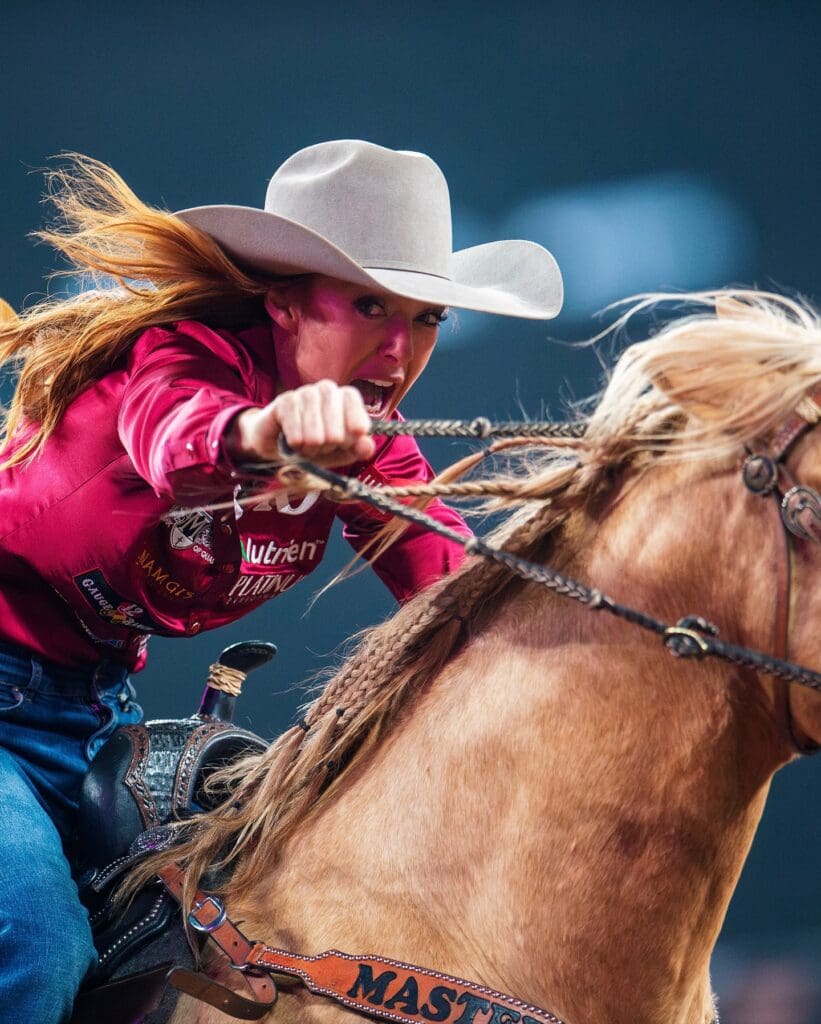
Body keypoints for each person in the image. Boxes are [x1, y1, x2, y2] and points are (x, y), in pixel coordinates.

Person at [0, 139, 563, 1021]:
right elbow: (178, 443)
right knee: (39, 949)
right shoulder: (175, 359)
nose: (398, 347)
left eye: (425, 320)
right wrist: (268, 434)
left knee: (204, 952)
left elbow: (462, 598)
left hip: (90, 709)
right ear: (285, 306)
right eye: (369, 305)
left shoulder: (371, 448)